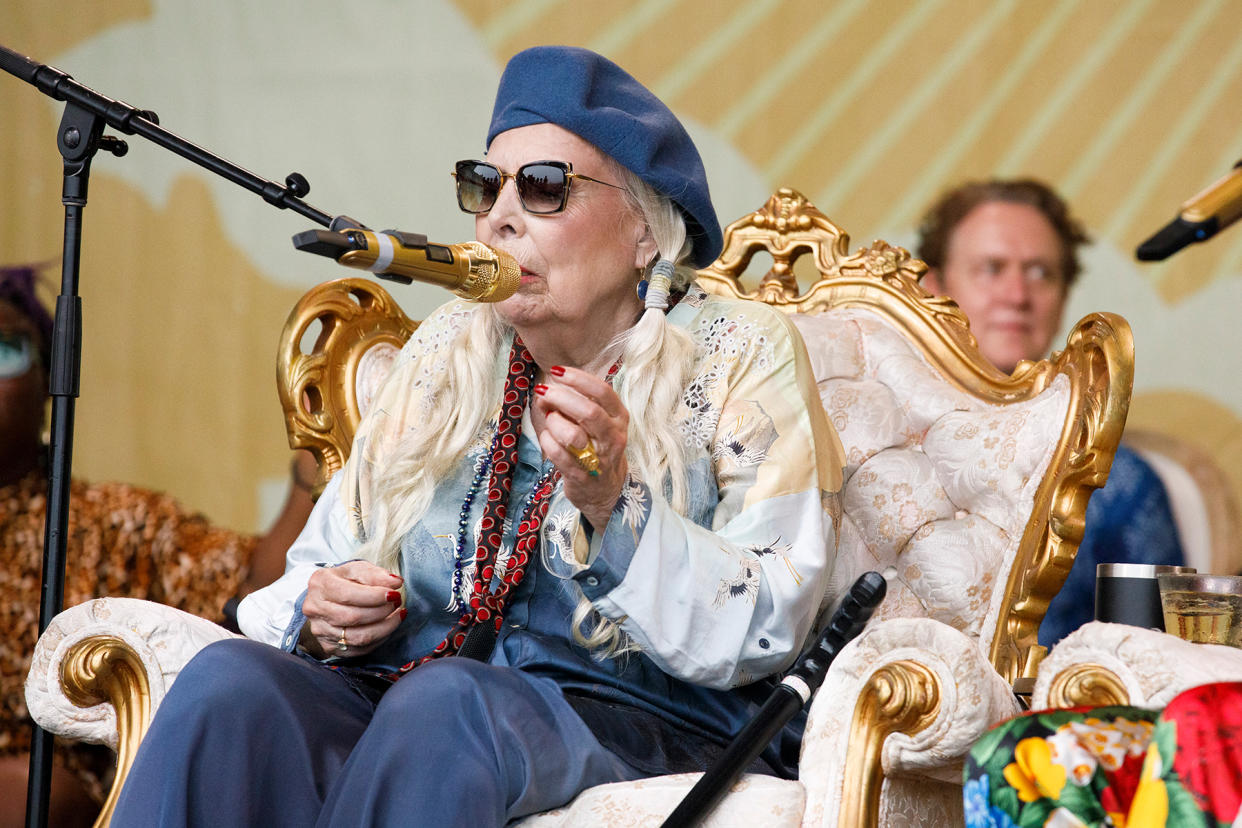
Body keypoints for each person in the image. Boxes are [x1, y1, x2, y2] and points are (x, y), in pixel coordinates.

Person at [109, 45, 844, 826]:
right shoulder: (449, 348)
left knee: (448, 703)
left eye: (545, 188)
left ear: (645, 232)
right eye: (484, 185)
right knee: (231, 683)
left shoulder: (740, 351)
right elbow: (326, 558)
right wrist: (323, 613)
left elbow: (772, 614)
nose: (498, 215)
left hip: (633, 718)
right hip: (415, 691)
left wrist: (611, 505)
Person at [0, 264, 316, 826]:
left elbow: (254, 598)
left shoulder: (113, 522)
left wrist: (314, 466)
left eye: (5, 350)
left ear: (48, 380)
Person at [915, 179, 1185, 647]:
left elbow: (1160, 664)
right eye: (991, 268)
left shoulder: (1118, 481)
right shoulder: (868, 448)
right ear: (934, 287)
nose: (1017, 295)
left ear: (1063, 297)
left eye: (1041, 272)